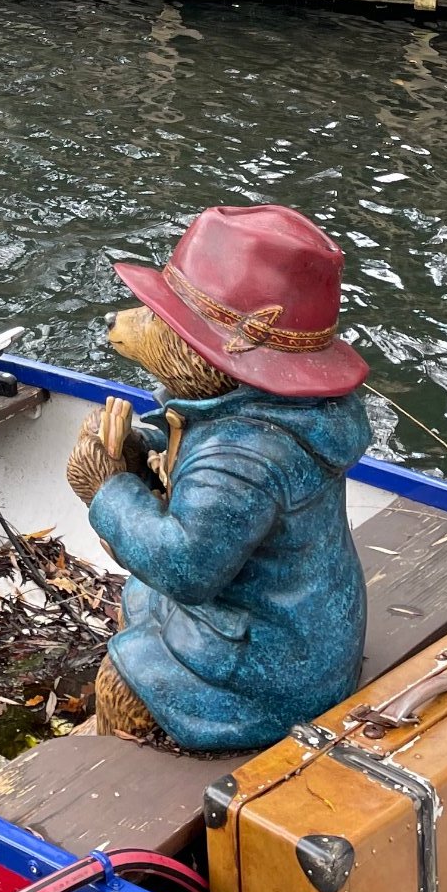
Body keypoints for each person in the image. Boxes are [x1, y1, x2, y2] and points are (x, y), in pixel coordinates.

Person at [66, 203, 371, 754]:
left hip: (272, 675)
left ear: (210, 351)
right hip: (305, 631)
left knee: (122, 679)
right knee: (140, 596)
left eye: (156, 320)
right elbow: (199, 456)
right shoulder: (281, 414)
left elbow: (185, 567)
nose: (124, 322)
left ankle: (122, 770)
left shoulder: (243, 460)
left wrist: (106, 489)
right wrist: (142, 450)